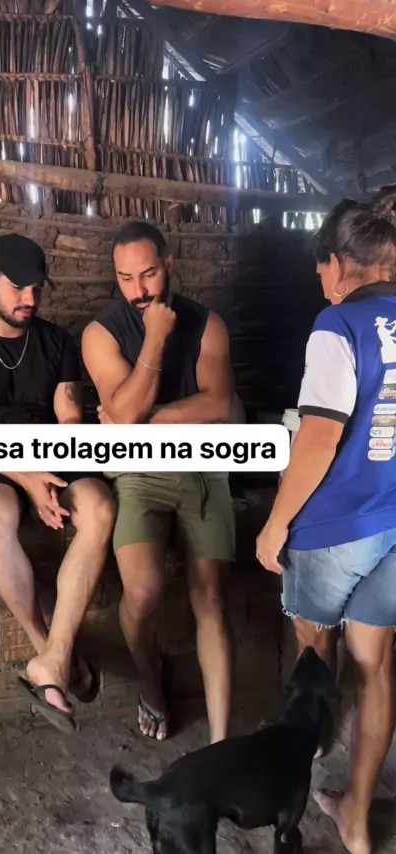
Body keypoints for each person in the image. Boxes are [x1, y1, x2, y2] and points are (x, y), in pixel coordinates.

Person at [256, 190, 396, 854]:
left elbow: (316, 439)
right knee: (376, 667)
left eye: (320, 268)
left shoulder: (337, 325)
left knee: (313, 650)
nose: (320, 280)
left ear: (339, 263)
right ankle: (358, 819)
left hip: (336, 528)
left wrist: (275, 524)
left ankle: (304, 755)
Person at [0, 233, 116, 733]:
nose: (29, 299)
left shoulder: (57, 343)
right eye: (17, 288)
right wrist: (27, 479)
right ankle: (51, 655)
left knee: (99, 508)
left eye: (37, 288)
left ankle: (51, 664)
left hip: (51, 452)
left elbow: (69, 421)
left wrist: (45, 474)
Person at [81, 220, 236, 745]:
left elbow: (218, 403)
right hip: (136, 472)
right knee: (143, 590)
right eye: (126, 278)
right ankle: (152, 683)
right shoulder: (101, 333)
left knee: (210, 599)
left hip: (203, 464)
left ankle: (220, 743)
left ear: (169, 265)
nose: (139, 289)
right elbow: (123, 417)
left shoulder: (208, 324)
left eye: (148, 273)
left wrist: (140, 417)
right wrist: (154, 338)